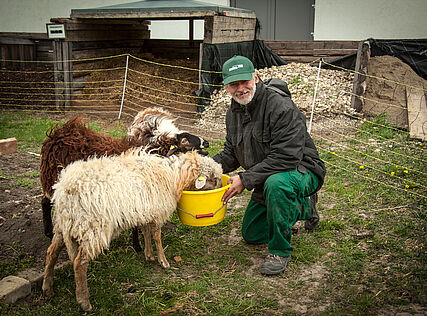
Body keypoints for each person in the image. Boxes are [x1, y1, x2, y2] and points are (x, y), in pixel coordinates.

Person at [212, 56, 326, 275]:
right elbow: (231, 153)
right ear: (226, 87)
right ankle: (302, 206)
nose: (241, 89)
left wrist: (245, 180)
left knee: (277, 183)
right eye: (234, 84)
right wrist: (204, 167)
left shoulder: (280, 107)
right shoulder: (233, 113)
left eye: (245, 82)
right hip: (268, 174)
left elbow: (286, 158)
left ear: (255, 77)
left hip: (300, 170)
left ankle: (279, 251)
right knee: (252, 234)